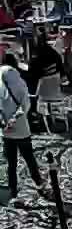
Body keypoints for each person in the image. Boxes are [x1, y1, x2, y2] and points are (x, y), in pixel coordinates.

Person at [0, 53, 42, 198]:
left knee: (11, 164)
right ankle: (39, 184)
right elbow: (25, 106)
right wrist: (14, 119)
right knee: (29, 159)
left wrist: (5, 122)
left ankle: (13, 192)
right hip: (21, 128)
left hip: (6, 130)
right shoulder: (19, 82)